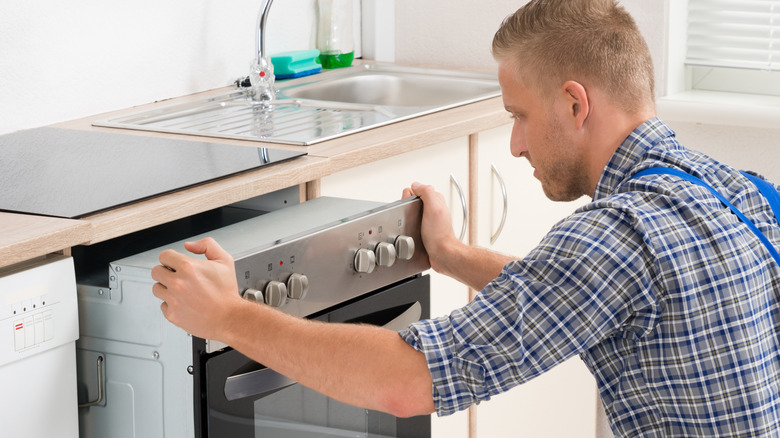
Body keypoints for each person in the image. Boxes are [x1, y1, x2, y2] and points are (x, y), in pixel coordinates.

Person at [151, 0, 780, 436]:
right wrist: (448, 254)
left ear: (574, 103)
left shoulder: (617, 238)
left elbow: (407, 382)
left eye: (520, 116)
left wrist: (229, 316)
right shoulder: (735, 191)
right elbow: (571, 289)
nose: (516, 145)